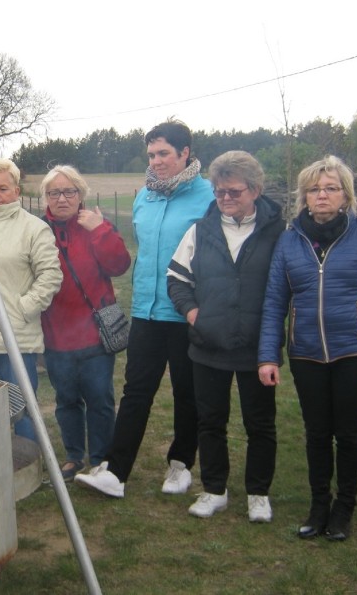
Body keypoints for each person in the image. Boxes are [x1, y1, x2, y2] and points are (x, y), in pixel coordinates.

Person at [258, 155, 357, 542]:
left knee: (349, 433)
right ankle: (319, 505)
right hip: (306, 354)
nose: (322, 195)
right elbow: (274, 303)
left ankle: (344, 509)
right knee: (317, 433)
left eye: (331, 188)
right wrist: (269, 355)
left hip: (354, 351)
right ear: (304, 196)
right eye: (314, 189)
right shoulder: (289, 241)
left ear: (346, 195)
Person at [76, 120, 214, 498]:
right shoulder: (144, 197)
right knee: (136, 390)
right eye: (151, 154)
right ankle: (116, 473)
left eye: (164, 153)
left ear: (185, 153)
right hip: (146, 312)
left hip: (188, 312)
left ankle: (180, 465)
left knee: (187, 392)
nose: (156, 161)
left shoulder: (208, 196)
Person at [167, 151, 285, 521]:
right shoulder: (201, 230)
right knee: (210, 421)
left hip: (257, 346)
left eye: (233, 191)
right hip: (208, 345)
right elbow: (177, 279)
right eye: (219, 192)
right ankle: (214, 489)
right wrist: (192, 313)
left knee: (260, 424)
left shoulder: (279, 232)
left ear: (255, 190)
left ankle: (258, 493)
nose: (225, 199)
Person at [39, 165, 131, 480]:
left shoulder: (96, 225)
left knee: (100, 399)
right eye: (54, 192)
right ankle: (74, 455)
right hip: (56, 336)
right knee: (66, 401)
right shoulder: (37, 230)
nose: (62, 198)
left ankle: (102, 458)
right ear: (46, 198)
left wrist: (101, 229)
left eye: (69, 192)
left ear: (80, 195)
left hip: (94, 334)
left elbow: (119, 264)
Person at [0, 158, 62, 442]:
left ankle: (30, 461)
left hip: (16, 336)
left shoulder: (34, 228)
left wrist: (23, 309)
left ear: (16, 192)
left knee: (23, 408)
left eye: (3, 188)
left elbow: (50, 275)